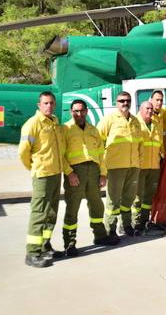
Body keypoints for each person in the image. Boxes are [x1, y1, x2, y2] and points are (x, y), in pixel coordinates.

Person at [61, 99, 117, 258]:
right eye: (75, 111)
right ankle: (69, 244)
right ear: (71, 112)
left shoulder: (93, 130)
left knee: (97, 205)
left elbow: (101, 153)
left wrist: (103, 173)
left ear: (86, 111)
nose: (79, 114)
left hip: (93, 171)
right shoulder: (65, 129)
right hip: (75, 172)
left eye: (81, 111)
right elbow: (60, 154)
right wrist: (69, 173)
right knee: (72, 208)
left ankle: (100, 236)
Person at [19, 91, 66, 268]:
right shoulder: (32, 124)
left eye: (51, 103)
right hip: (42, 175)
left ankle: (45, 246)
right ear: (39, 105)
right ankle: (32, 252)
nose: (49, 106)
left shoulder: (54, 122)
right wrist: (34, 167)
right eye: (45, 103)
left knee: (51, 212)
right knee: (39, 213)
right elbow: (23, 151)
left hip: (55, 173)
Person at [97, 91, 143, 239]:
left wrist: (138, 162)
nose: (125, 103)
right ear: (117, 103)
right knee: (114, 200)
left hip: (133, 165)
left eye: (127, 100)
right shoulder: (109, 119)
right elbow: (97, 140)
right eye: (122, 101)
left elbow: (140, 144)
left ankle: (125, 225)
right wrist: (101, 165)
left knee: (129, 198)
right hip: (116, 166)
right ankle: (109, 229)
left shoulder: (135, 121)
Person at [133, 101, 164, 234]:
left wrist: (163, 156)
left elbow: (160, 144)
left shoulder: (156, 124)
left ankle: (145, 221)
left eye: (151, 109)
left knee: (149, 196)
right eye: (147, 108)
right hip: (140, 166)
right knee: (137, 196)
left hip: (154, 166)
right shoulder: (135, 123)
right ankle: (135, 222)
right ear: (141, 110)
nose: (150, 111)